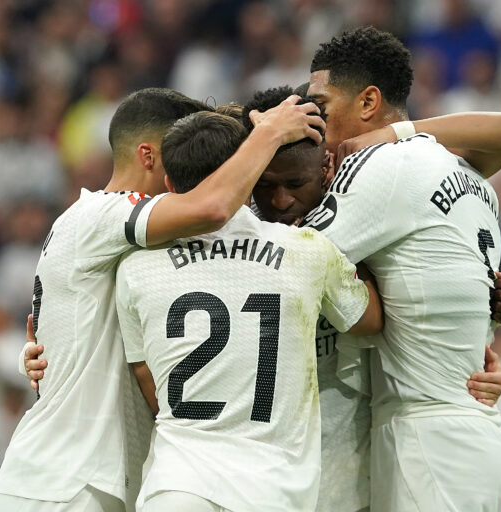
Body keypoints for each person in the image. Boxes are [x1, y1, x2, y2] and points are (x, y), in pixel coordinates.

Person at [0, 88, 326, 511]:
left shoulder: (123, 242)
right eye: (178, 156)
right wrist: (271, 134)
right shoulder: (104, 214)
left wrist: (44, 354)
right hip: (68, 481)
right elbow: (215, 205)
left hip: (92, 478)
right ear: (149, 157)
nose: (191, 177)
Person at [241, 85, 501, 512]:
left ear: (324, 170)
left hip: (371, 461)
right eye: (265, 185)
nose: (281, 199)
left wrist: (469, 344)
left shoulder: (369, 205)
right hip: (281, 466)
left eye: (322, 103)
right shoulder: (260, 241)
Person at [302, 27, 501, 511]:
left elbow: (294, 259)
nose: (314, 124)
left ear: (369, 102)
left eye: (321, 106)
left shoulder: (385, 166)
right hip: (466, 426)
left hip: (429, 438)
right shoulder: (468, 176)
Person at [116, 110, 384, 512]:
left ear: (169, 182)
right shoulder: (306, 250)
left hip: (176, 487)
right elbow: (370, 322)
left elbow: (147, 379)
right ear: (249, 174)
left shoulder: (135, 267)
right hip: (272, 489)